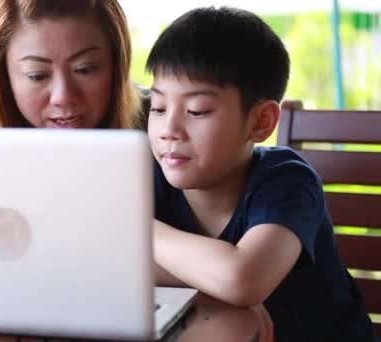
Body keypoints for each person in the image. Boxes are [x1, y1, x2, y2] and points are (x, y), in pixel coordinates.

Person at [145, 7, 375, 341]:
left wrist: (133, 229)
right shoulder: (153, 176)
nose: (168, 129)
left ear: (261, 122)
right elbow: (111, 264)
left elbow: (242, 278)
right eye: (158, 107)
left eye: (197, 110)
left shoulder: (288, 182)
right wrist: (213, 288)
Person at [0, 0, 141, 129]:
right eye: (37, 75)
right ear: (3, 74)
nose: (63, 97)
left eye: (85, 69)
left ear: (117, 63)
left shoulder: (160, 122)